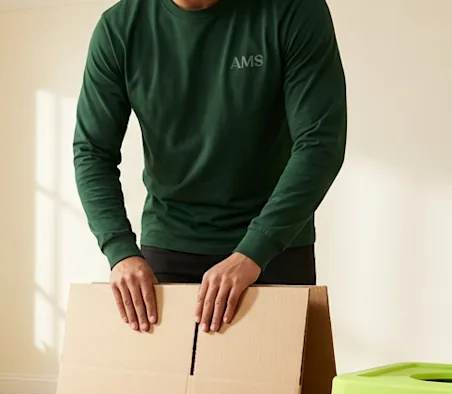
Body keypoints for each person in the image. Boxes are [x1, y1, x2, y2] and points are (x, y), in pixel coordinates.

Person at [73, 0, 347, 333]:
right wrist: (119, 251)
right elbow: (92, 152)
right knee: (155, 369)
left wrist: (254, 251)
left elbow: (320, 142)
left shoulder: (294, 10)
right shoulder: (119, 29)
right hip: (171, 243)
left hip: (274, 246)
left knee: (279, 368)